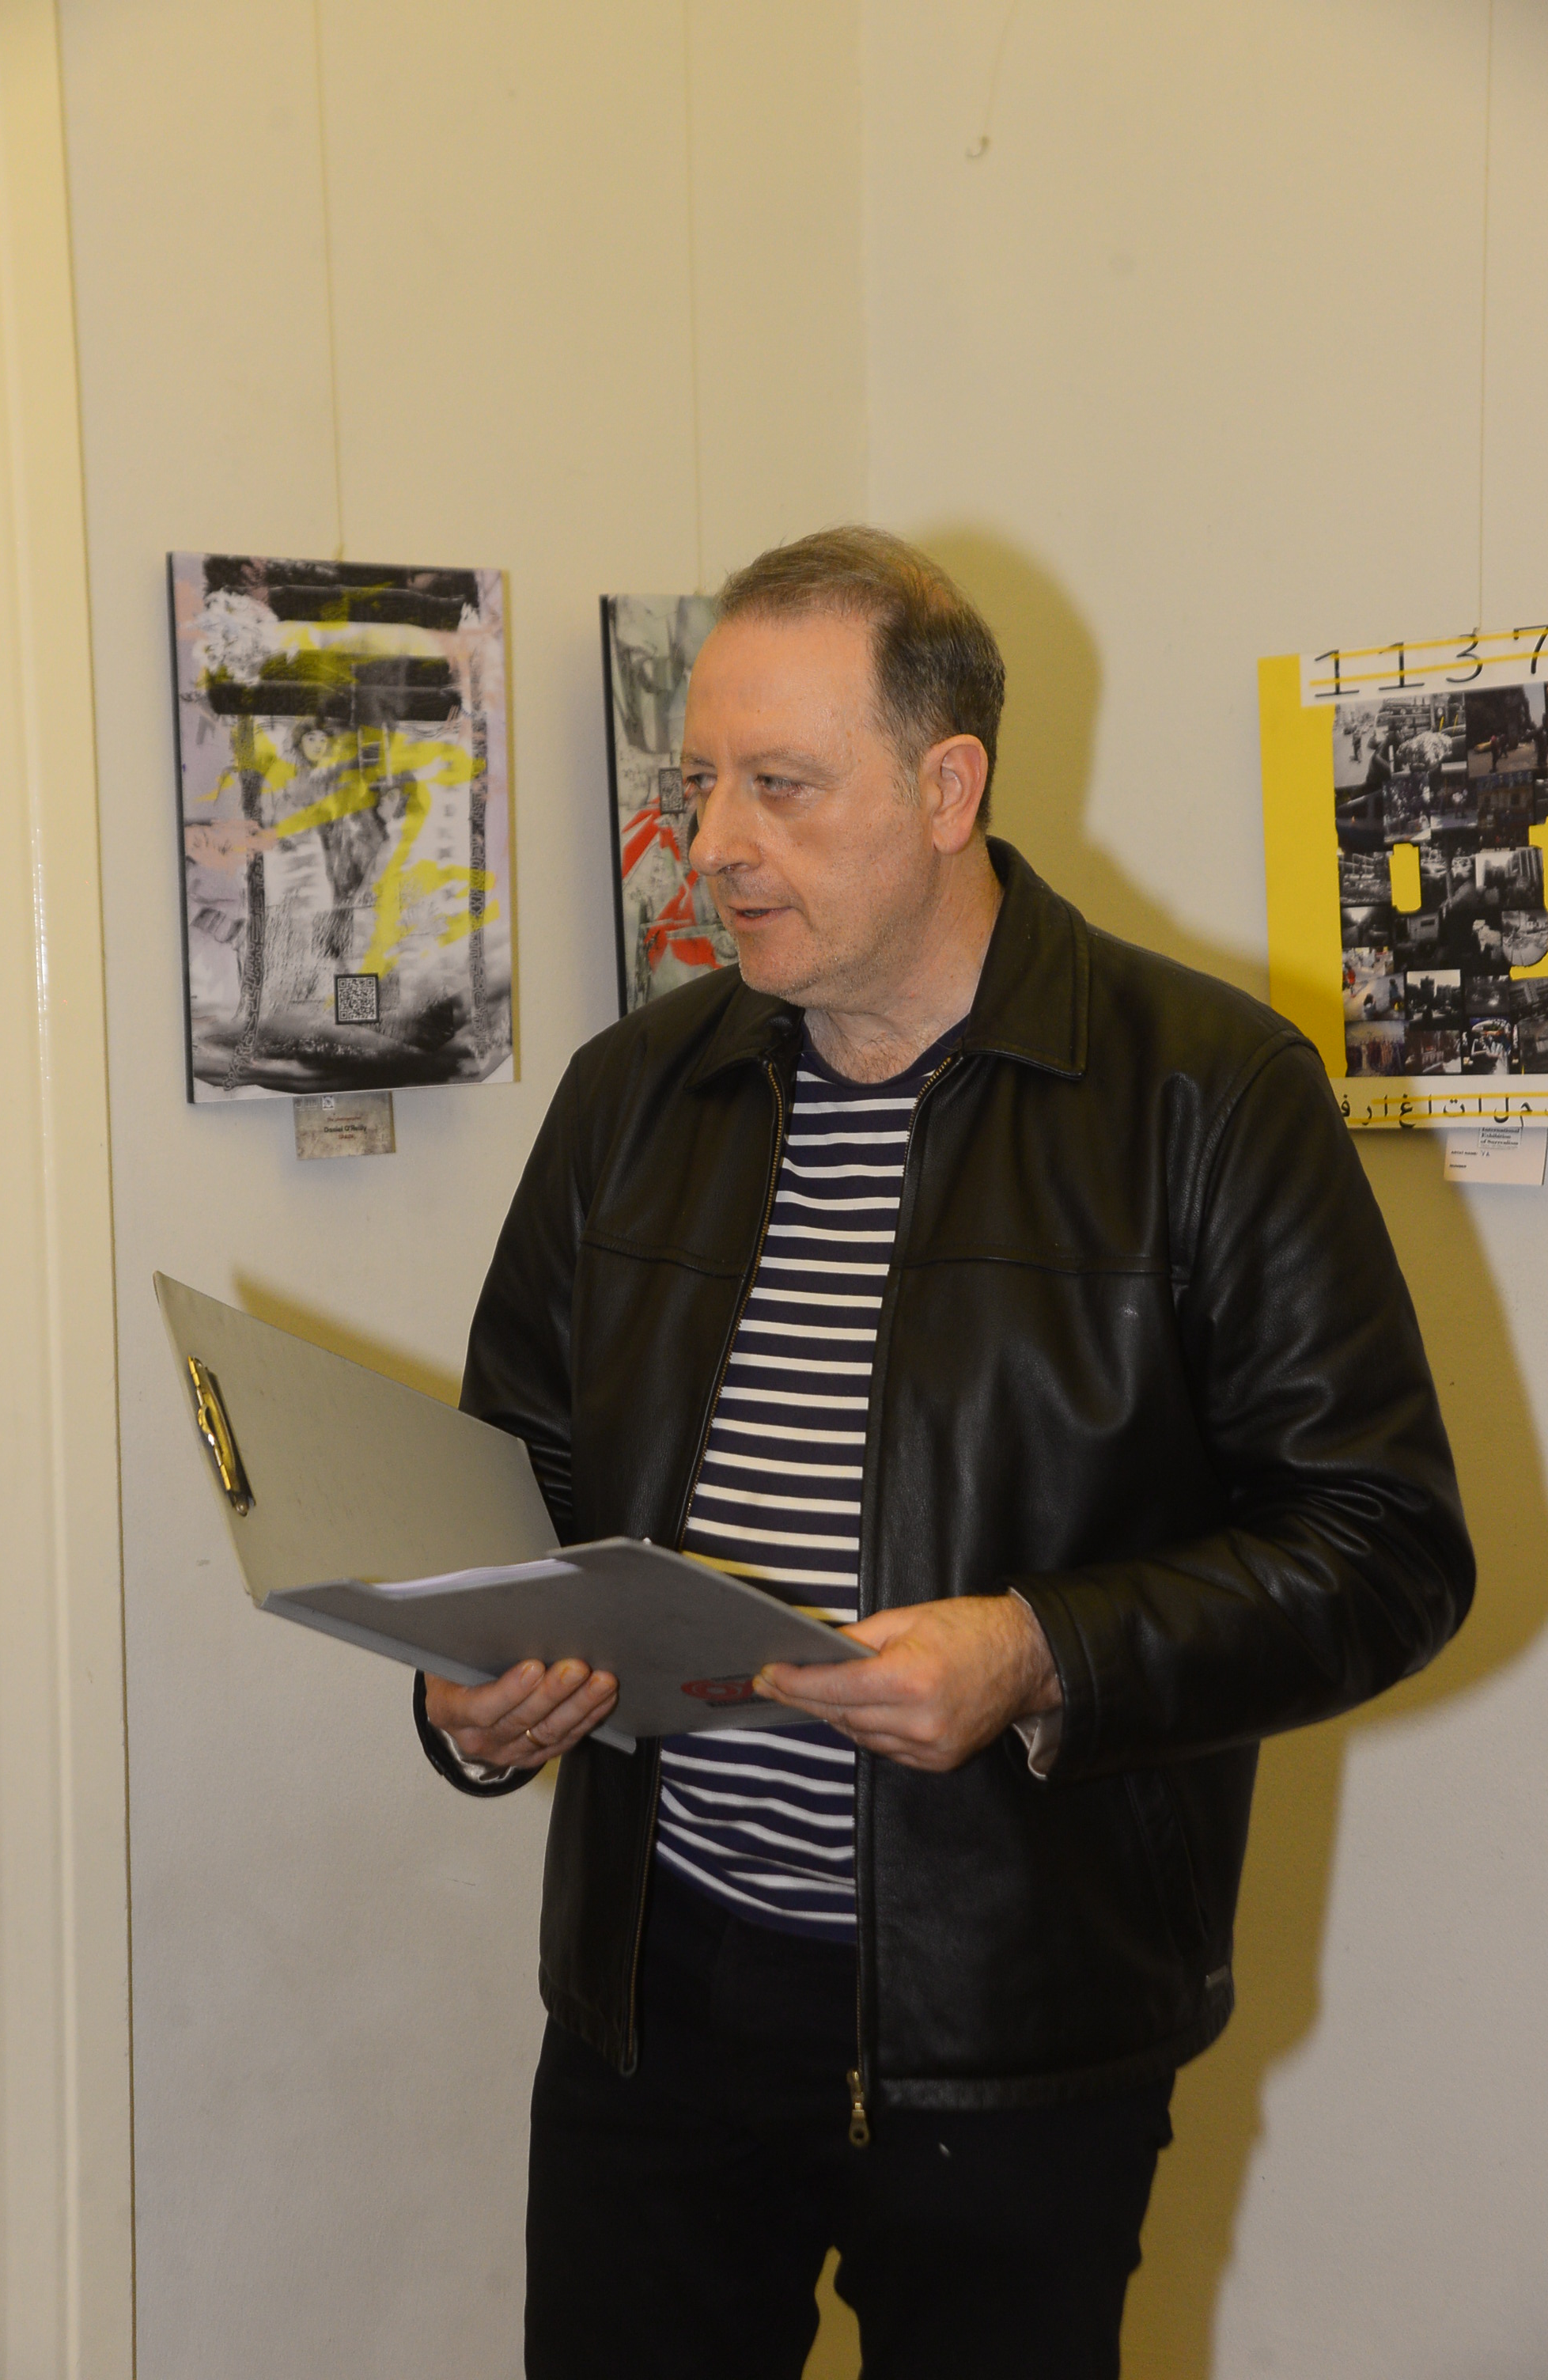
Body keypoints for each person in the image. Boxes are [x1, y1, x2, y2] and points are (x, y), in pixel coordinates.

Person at [417, 529, 1473, 2380]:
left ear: (944, 786)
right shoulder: (628, 1096)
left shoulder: (1204, 1095)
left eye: (780, 785)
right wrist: (467, 1691)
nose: (711, 841)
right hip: (651, 2000)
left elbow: (1384, 1546)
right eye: (699, 782)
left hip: (1015, 2029)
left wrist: (1039, 1651)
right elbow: (514, 1480)